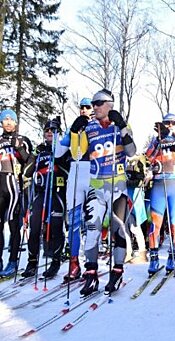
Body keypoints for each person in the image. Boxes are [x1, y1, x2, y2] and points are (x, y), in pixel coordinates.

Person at [79, 89, 137, 295]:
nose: (94, 107)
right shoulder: (90, 127)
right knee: (92, 228)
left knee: (118, 228)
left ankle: (117, 271)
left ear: (109, 105)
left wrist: (122, 127)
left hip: (117, 185)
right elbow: (77, 154)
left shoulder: (120, 124)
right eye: (93, 103)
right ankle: (91, 273)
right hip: (97, 185)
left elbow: (132, 152)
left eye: (98, 103)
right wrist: (75, 132)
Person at [21, 118, 69, 278]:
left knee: (55, 226)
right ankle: (32, 262)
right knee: (34, 227)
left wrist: (57, 165)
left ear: (58, 133)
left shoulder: (62, 149)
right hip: (42, 192)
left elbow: (68, 168)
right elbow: (28, 170)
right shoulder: (40, 150)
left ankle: (55, 261)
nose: (49, 132)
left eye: (53, 130)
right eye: (47, 130)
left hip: (57, 191)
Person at [145, 113, 175, 275]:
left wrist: (171, 135)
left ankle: (173, 254)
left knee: (174, 222)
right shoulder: (156, 140)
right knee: (155, 224)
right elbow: (149, 157)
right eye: (167, 123)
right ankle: (154, 257)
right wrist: (158, 139)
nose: (170, 125)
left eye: (173, 123)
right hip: (159, 183)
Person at [62, 97, 94, 282]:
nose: (84, 110)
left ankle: (91, 263)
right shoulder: (74, 126)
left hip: (91, 174)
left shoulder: (97, 126)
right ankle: (74, 264)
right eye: (81, 107)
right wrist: (69, 131)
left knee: (92, 222)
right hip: (74, 174)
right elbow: (59, 152)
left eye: (87, 107)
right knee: (73, 222)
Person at [0, 109, 33, 277]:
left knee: (14, 225)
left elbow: (30, 161)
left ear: (15, 122)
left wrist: (19, 149)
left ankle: (12, 261)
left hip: (15, 186)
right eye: (4, 119)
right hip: (0, 186)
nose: (7, 122)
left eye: (10, 119)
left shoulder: (22, 140)